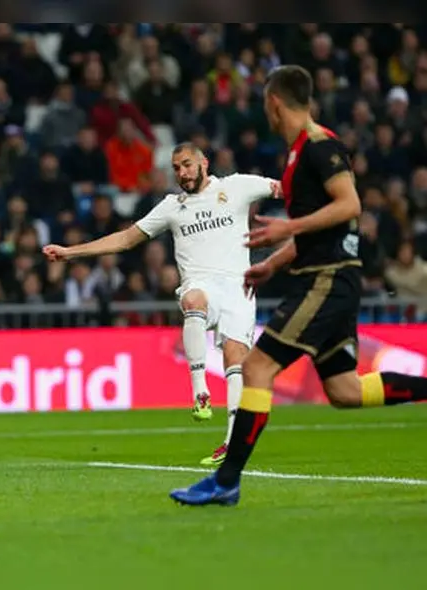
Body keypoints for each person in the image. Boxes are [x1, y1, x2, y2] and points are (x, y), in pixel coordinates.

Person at [171, 65, 427, 507]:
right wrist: (272, 262)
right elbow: (317, 228)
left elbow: (350, 205)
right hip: (327, 275)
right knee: (345, 390)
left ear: (274, 103)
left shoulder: (319, 146)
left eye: (265, 105)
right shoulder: (295, 157)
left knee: (256, 368)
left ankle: (226, 481)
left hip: (326, 278)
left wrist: (286, 228)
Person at [43, 143, 279, 465]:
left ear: (204, 163)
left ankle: (231, 443)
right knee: (193, 300)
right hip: (200, 282)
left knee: (235, 359)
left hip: (239, 287)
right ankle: (199, 391)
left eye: (186, 165)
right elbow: (126, 239)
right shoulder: (171, 206)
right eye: (176, 168)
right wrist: (71, 252)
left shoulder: (236, 186)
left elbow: (283, 188)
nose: (182, 173)